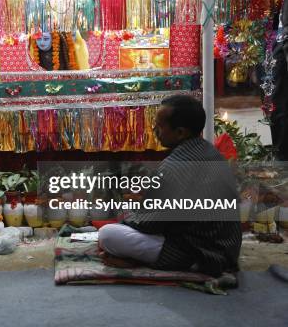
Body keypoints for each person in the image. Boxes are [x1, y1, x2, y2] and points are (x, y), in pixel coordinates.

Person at [98, 95, 242, 277]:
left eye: (159, 126)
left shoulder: (176, 164)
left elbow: (151, 224)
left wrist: (126, 216)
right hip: (226, 248)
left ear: (180, 132)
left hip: (200, 253)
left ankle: (144, 261)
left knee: (107, 235)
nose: (154, 130)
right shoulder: (210, 151)